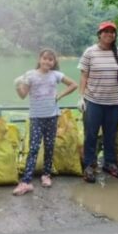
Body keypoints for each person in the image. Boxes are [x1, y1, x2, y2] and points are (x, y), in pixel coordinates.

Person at [13, 48, 78, 195]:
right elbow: (23, 95)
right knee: (34, 148)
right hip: (36, 117)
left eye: (51, 59)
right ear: (39, 59)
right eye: (45, 58)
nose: (47, 61)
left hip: (52, 116)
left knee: (49, 146)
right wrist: (17, 85)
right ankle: (26, 181)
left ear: (54, 62)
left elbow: (73, 85)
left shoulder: (56, 75)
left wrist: (60, 95)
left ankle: (46, 175)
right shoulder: (30, 75)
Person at [78, 21, 118, 183]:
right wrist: (81, 97)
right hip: (93, 101)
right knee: (91, 134)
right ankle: (89, 164)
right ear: (99, 34)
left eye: (112, 32)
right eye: (105, 31)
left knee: (111, 135)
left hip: (114, 103)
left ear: (115, 35)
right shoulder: (90, 52)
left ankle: (109, 163)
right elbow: (84, 76)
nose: (108, 34)